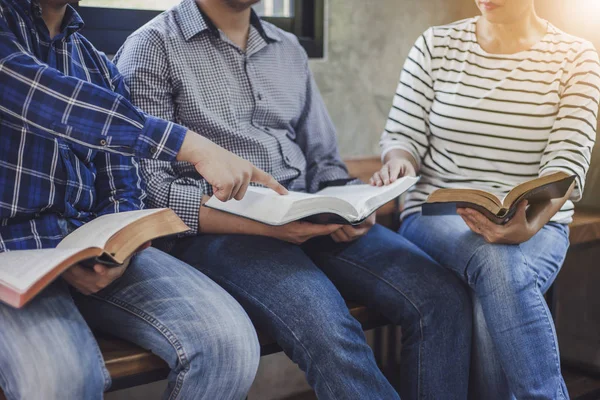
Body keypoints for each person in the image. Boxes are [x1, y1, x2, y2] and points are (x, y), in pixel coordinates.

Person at [115, 0, 474, 398]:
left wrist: (352, 204)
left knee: (442, 298)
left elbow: (323, 161)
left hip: (308, 216)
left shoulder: (286, 49)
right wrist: (264, 223)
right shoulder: (151, 46)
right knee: (329, 328)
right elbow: (150, 190)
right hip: (221, 234)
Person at [0, 0, 288, 398]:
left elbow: (122, 186)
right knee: (62, 380)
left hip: (84, 251)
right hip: (9, 257)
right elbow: (36, 93)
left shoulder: (99, 66)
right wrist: (189, 145)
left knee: (229, 343)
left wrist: (113, 253)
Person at [371, 0, 600, 398]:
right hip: (435, 216)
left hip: (539, 222)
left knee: (491, 293)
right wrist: (398, 163)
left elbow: (566, 163)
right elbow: (402, 137)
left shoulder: (576, 57)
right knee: (495, 262)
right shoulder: (435, 46)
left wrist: (528, 223)